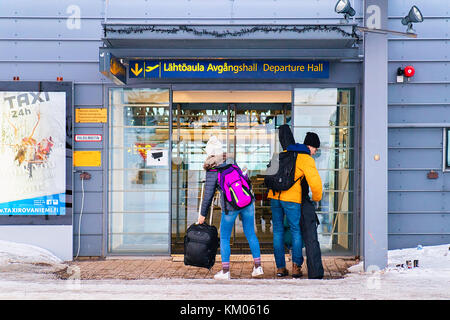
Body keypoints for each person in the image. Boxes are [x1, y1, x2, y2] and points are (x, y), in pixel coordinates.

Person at [197, 136, 264, 280]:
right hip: (247, 202)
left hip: (230, 207)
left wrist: (202, 215)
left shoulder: (212, 170)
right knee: (251, 233)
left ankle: (225, 271)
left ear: (209, 153)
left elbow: (208, 196)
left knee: (225, 238)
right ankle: (258, 268)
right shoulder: (231, 162)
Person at [268, 126, 323, 278]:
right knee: (295, 231)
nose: (315, 152)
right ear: (310, 147)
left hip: (274, 196)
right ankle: (296, 267)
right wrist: (316, 198)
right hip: (291, 199)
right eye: (315, 149)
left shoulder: (282, 154)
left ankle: (280, 268)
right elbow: (316, 184)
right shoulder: (305, 158)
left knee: (278, 231)